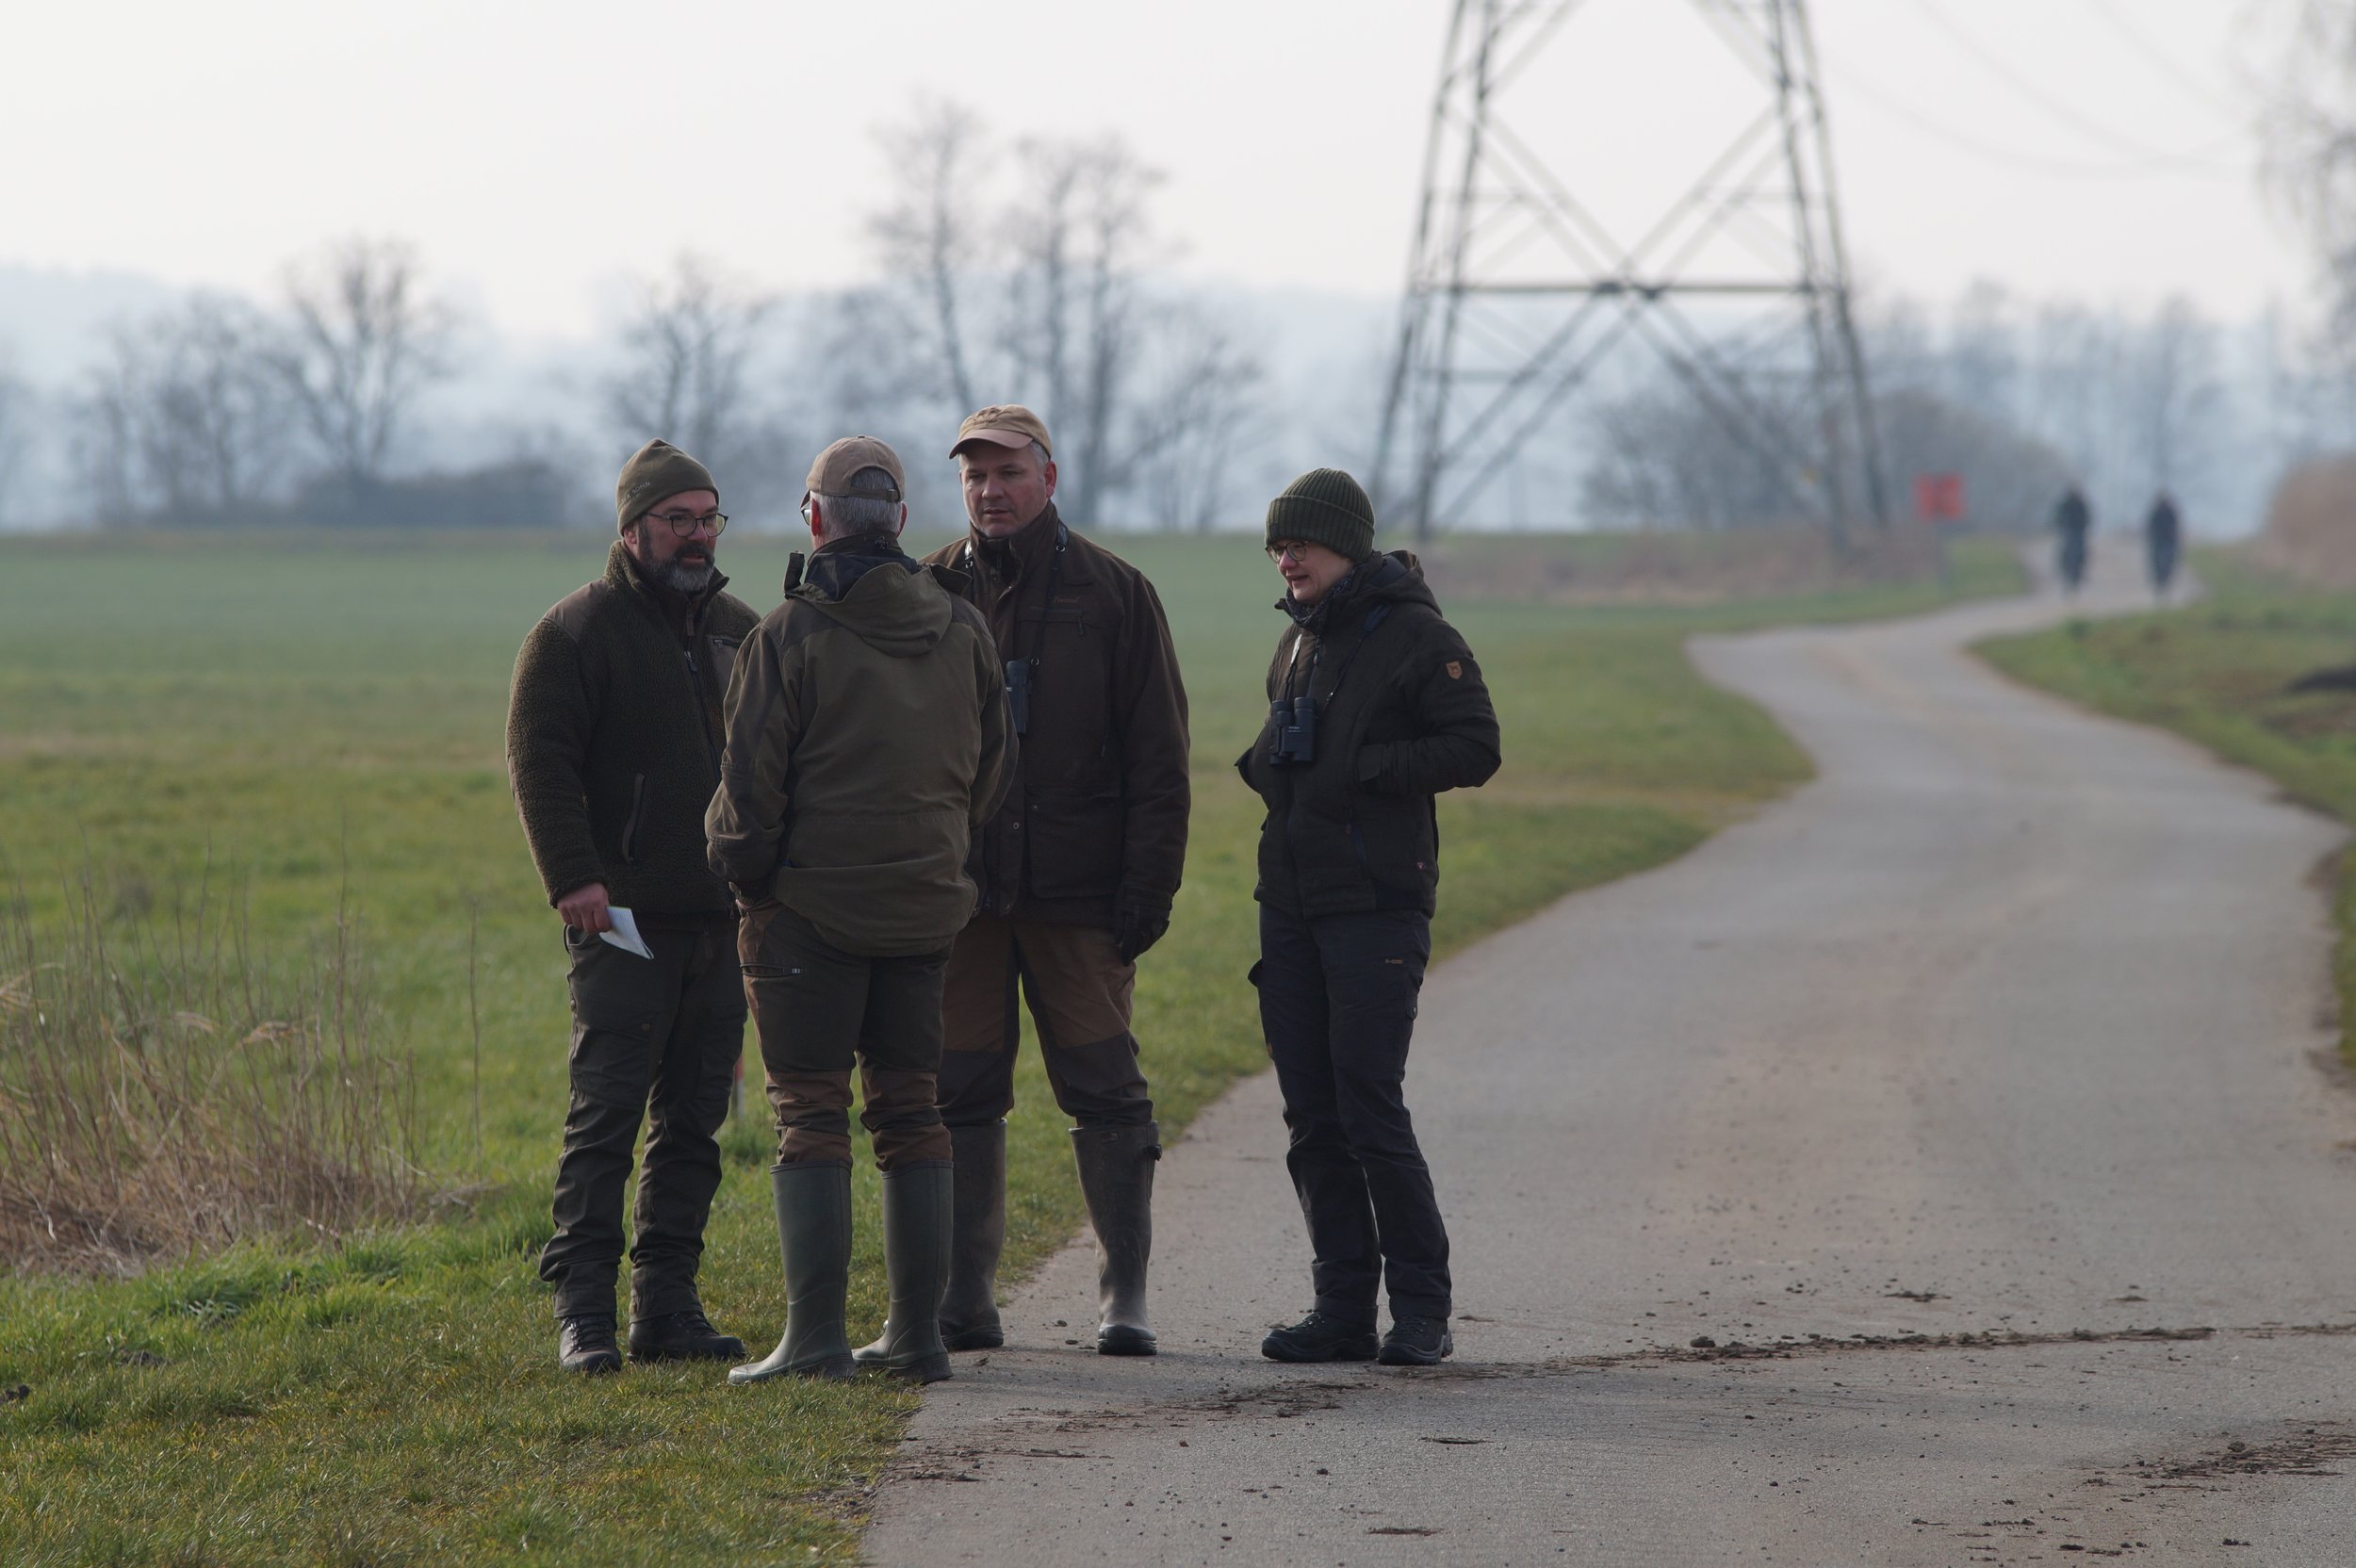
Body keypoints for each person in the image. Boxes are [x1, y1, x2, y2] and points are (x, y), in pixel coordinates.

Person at [707, 436, 1014, 1385]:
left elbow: (746, 796)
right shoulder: (965, 629)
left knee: (810, 1114)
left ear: (814, 519)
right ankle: (916, 1336)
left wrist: (751, 883)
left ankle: (815, 1340)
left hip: (809, 916)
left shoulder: (786, 635)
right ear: (902, 520)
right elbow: (991, 773)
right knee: (913, 1110)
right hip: (926, 910)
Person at [910, 405, 1191, 1359]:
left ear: (1050, 477)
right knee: (958, 1093)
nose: (991, 491)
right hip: (964, 900)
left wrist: (1149, 887)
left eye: (1008, 473)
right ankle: (963, 1299)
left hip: (1080, 897)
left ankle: (1125, 1296)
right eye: (975, 476)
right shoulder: (926, 590)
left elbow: (1160, 755)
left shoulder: (1116, 593)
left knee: (1107, 1091)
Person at [506, 439, 759, 1374]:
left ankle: (667, 1304)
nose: (696, 535)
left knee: (695, 1121)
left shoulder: (741, 628)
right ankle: (584, 1311)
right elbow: (540, 760)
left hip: (722, 916)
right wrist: (575, 877)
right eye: (675, 519)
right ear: (632, 529)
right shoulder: (575, 631)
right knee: (606, 1115)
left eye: (707, 517)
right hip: (621, 921)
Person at [1238, 468, 1499, 1368]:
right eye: (1278, 547)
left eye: (1301, 544)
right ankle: (1341, 1310)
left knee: (1367, 1106)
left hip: (1376, 907)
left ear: (1348, 546)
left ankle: (1422, 1310)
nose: (1287, 559)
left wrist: (1365, 767)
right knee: (1312, 1116)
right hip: (1292, 904)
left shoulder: (1420, 636)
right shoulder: (1298, 641)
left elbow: (1476, 746)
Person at [2054, 484, 2092, 596]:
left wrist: (2083, 527)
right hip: (2068, 532)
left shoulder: (2081, 504)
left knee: (2081, 553)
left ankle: (2079, 573)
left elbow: (2087, 519)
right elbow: (2058, 518)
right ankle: (2065, 571)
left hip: (2078, 533)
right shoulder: (2066, 504)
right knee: (2065, 552)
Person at [2147, 490, 2183, 600]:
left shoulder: (2170, 512)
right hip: (2159, 542)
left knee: (2168, 563)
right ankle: (2160, 582)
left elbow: (2175, 527)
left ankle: (2165, 582)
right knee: (2157, 563)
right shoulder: (2156, 512)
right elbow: (2151, 527)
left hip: (2169, 541)